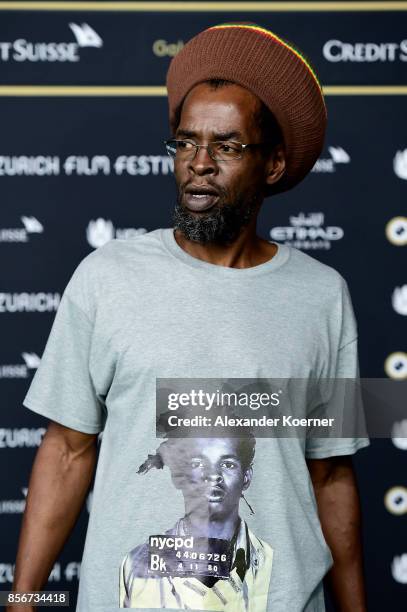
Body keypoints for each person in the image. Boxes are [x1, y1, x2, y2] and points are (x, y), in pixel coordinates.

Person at [9, 22, 370, 612]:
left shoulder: (324, 296)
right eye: (185, 143)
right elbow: (67, 450)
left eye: (226, 146)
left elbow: (331, 477)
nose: (199, 164)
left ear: (273, 164)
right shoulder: (107, 277)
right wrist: (23, 603)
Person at [119, 420, 274, 610]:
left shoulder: (271, 560)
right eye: (198, 463)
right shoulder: (137, 563)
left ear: (246, 477)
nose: (213, 475)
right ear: (179, 476)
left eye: (227, 464)